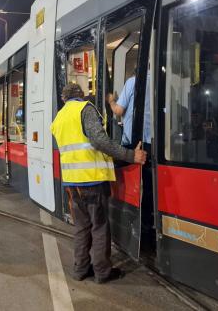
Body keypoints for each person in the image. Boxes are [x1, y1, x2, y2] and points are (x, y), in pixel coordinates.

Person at [51, 83, 146, 284]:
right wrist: (131, 155)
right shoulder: (85, 109)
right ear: (82, 95)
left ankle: (80, 269)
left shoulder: (59, 118)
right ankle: (102, 272)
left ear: (64, 99)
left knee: (81, 226)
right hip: (92, 180)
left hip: (71, 183)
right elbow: (100, 142)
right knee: (100, 226)